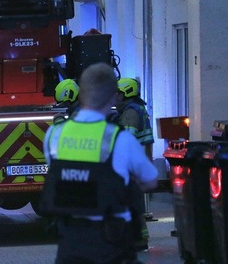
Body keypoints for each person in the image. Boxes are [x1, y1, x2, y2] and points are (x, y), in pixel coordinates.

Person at [40, 63, 158, 264]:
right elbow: (151, 180)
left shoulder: (55, 135)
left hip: (69, 244)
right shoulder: (119, 139)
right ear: (113, 95)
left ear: (81, 94)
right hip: (112, 245)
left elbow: (63, 173)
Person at [116, 77, 155, 252]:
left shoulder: (130, 113)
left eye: (117, 93)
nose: (114, 97)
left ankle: (136, 240)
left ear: (126, 94)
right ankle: (139, 240)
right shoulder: (138, 109)